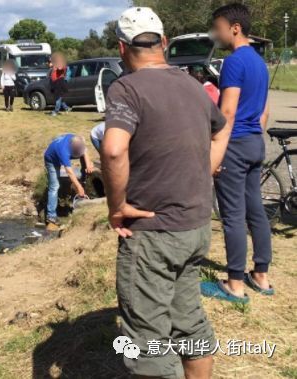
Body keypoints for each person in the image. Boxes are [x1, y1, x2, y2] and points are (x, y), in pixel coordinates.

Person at [102, 7, 229, 379]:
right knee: (189, 320)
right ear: (164, 42)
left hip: (154, 234)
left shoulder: (126, 86)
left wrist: (117, 206)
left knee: (149, 344)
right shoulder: (192, 84)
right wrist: (200, 172)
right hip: (195, 228)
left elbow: (112, 149)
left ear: (122, 48)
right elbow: (221, 131)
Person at [202, 3, 274, 303]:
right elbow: (264, 111)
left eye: (217, 27)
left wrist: (214, 153)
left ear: (234, 28)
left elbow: (227, 111)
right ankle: (261, 275)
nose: (214, 33)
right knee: (255, 209)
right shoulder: (259, 62)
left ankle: (234, 283)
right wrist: (254, 136)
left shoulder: (233, 62)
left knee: (232, 214)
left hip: (234, 144)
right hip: (255, 142)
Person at [43, 134, 93, 228]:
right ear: (72, 149)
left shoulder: (77, 140)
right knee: (54, 186)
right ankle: (51, 216)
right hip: (51, 160)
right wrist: (78, 187)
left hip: (64, 150)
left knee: (86, 164)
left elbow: (84, 151)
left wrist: (88, 165)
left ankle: (84, 181)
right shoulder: (64, 151)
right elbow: (69, 172)